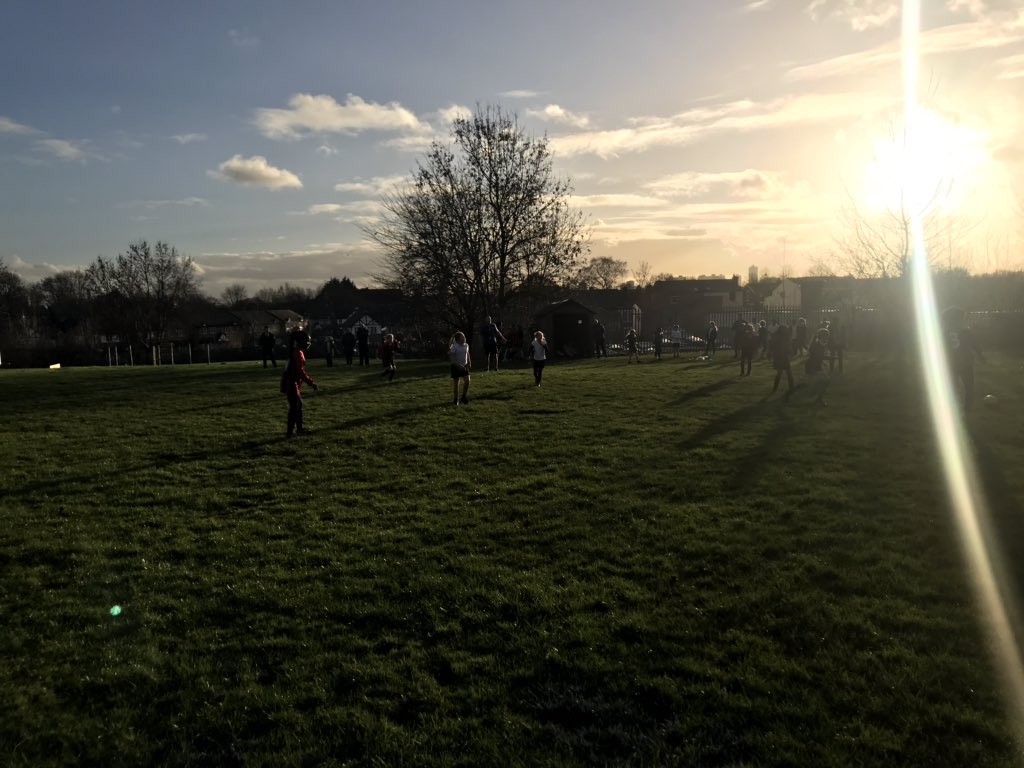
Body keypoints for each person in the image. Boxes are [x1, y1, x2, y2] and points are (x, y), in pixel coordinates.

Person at [943, 306, 985, 409]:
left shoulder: (945, 333)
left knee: (953, 385)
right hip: (965, 362)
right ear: (959, 319)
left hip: (951, 363)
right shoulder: (966, 332)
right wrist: (980, 355)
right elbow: (974, 344)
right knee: (968, 386)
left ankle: (953, 406)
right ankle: (968, 407)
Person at [282, 330, 318, 438]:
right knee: (295, 407)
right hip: (292, 384)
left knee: (298, 406)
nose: (308, 342)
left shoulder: (296, 351)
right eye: (306, 340)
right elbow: (300, 371)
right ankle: (290, 432)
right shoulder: (297, 353)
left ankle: (299, 429)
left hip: (292, 383)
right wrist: (311, 383)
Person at [804, 328, 831, 406]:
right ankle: (817, 398)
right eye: (826, 336)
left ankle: (818, 398)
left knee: (823, 381)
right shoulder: (816, 344)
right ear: (821, 336)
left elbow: (819, 356)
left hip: (815, 365)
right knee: (824, 381)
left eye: (827, 336)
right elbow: (814, 356)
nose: (827, 338)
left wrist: (829, 358)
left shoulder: (820, 344)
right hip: (812, 366)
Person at [771, 323, 795, 396]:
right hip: (780, 357)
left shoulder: (781, 337)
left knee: (784, 373)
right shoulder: (780, 337)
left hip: (782, 357)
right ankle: (790, 388)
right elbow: (785, 347)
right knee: (784, 373)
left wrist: (790, 351)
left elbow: (787, 347)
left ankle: (777, 388)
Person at [449, 331, 471, 405]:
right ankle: (456, 400)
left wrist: (469, 362)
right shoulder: (454, 347)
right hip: (455, 366)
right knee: (456, 383)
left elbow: (467, 354)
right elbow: (452, 360)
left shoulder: (466, 345)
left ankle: (463, 397)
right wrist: (459, 366)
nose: (464, 338)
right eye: (462, 337)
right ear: (458, 339)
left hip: (464, 366)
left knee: (467, 381)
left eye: (464, 337)